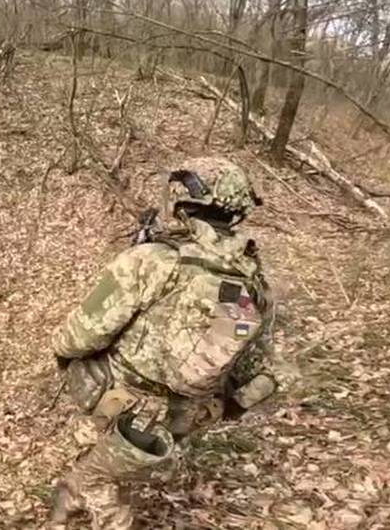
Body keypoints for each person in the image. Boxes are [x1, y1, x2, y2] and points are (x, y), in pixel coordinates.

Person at [49, 161, 279, 529]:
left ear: (183, 202)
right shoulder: (256, 285)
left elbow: (80, 335)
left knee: (95, 474)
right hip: (185, 415)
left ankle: (85, 498)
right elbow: (260, 373)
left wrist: (62, 352)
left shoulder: (155, 260)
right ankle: (100, 478)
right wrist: (220, 408)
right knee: (114, 462)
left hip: (118, 399)